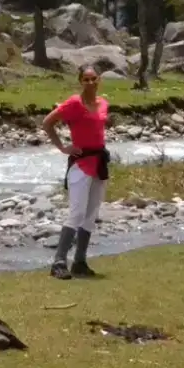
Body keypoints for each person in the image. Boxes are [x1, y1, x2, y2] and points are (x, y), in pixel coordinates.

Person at [42, 64, 110, 280]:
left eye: (94, 78)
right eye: (86, 79)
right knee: (77, 212)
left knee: (91, 215)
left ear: (99, 80)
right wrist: (63, 148)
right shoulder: (73, 103)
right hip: (81, 163)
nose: (90, 83)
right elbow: (47, 123)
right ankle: (59, 262)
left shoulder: (103, 104)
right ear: (80, 81)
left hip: (99, 161)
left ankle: (79, 261)